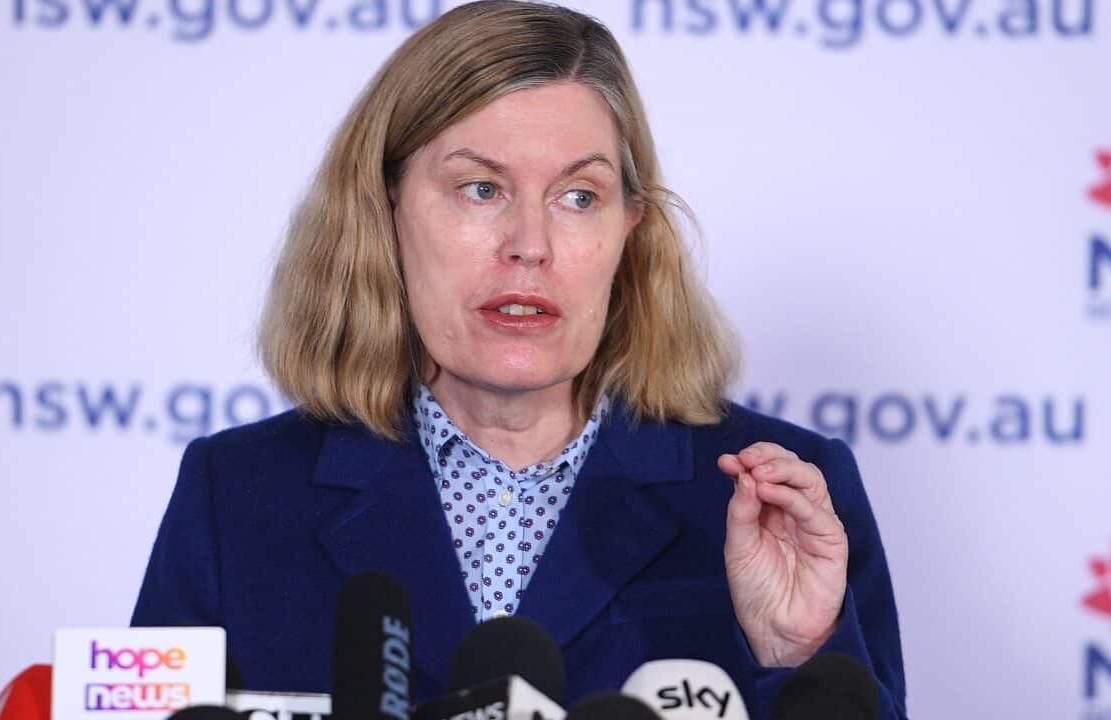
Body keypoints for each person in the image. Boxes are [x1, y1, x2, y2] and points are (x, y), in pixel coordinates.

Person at [131, 2, 907, 717]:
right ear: (384, 207)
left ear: (628, 230)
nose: (530, 245)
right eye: (479, 189)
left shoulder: (780, 495)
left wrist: (794, 653)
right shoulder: (236, 494)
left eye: (578, 198)